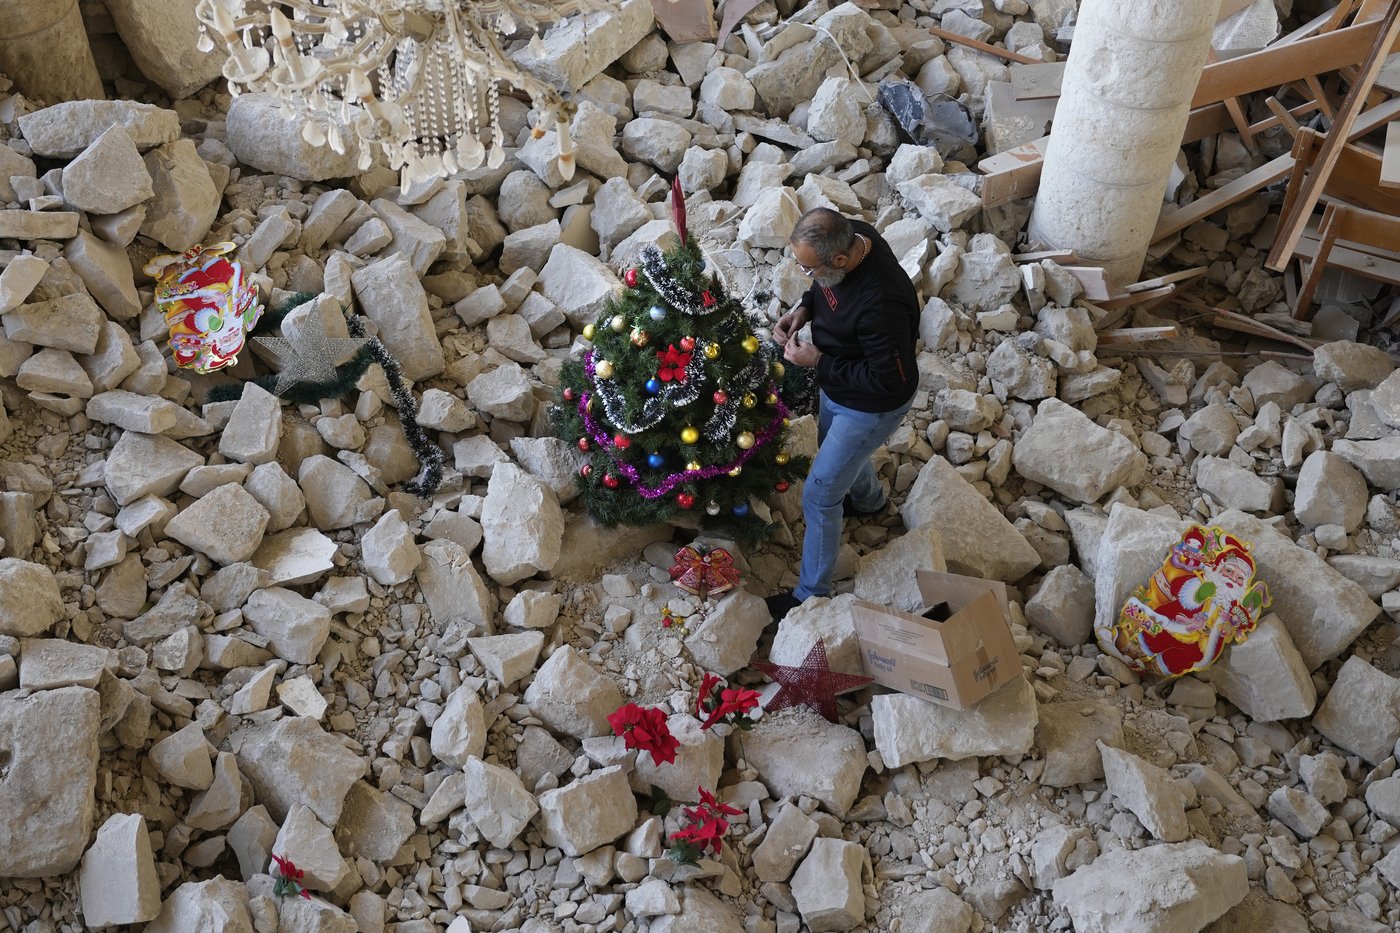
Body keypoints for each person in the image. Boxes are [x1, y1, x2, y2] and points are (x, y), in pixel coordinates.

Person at [765, 208, 920, 620]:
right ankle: (871, 502)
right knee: (832, 446)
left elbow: (888, 381)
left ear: (839, 259)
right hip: (839, 383)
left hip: (872, 405)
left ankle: (809, 595)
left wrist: (817, 362)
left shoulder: (882, 303)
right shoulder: (855, 236)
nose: (805, 274)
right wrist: (804, 309)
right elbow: (824, 291)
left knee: (819, 494)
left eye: (808, 269)